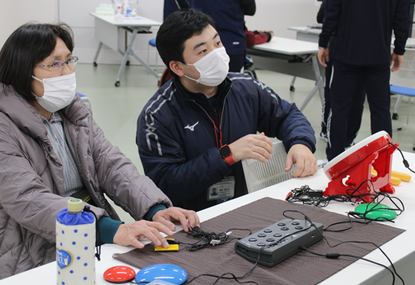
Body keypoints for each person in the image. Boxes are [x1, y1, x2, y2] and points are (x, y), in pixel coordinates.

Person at [0, 23, 199, 285]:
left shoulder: (71, 112)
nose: (67, 71)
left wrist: (153, 208)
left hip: (83, 240)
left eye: (69, 60)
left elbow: (111, 164)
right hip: (20, 257)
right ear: (21, 72)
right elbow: (30, 201)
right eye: (54, 64)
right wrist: (110, 229)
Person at [136, 9, 318, 212]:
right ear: (177, 67)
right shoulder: (157, 116)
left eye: (217, 43)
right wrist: (226, 155)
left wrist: (300, 143)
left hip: (246, 208)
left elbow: (288, 115)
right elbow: (166, 184)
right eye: (203, 51)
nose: (216, 54)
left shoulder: (246, 88)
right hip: (193, 221)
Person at [318, 0, 411, 161]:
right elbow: (402, 17)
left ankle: (334, 160)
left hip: (345, 54)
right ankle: (384, 162)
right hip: (378, 55)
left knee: (339, 108)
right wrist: (399, 49)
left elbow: (332, 11)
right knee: (380, 110)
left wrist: (324, 42)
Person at [317, 0, 365, 150]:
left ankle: (330, 137)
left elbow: (323, 17)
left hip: (340, 49)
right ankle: (348, 139)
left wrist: (323, 43)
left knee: (335, 97)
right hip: (368, 49)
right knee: (358, 97)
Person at [164, 0, 256, 72]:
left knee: (200, 89)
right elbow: (251, 10)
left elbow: (179, 11)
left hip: (198, 46)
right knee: (231, 88)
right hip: (231, 41)